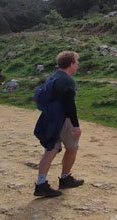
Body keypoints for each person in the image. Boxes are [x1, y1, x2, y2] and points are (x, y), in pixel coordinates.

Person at [33, 51, 84, 197]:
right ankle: (65, 178)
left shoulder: (53, 76)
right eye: (76, 62)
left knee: (51, 149)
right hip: (63, 119)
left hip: (50, 117)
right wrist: (76, 126)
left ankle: (41, 183)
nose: (77, 65)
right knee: (72, 147)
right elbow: (70, 105)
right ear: (71, 63)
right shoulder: (68, 81)